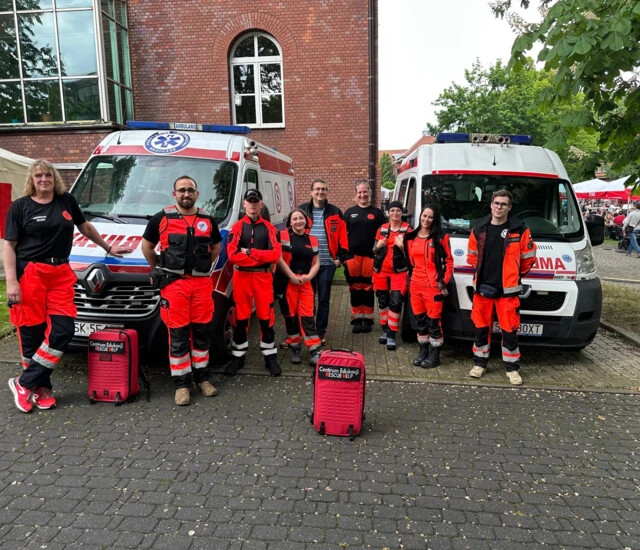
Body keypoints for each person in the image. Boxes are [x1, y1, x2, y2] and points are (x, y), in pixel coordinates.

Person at [4, 159, 131, 413]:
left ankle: (24, 383)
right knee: (32, 334)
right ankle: (40, 388)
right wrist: (11, 281)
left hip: (60, 273)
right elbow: (9, 245)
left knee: (63, 330)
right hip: (30, 273)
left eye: (48, 175)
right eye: (39, 175)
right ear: (32, 179)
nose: (44, 179)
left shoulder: (66, 201)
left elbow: (85, 227)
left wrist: (108, 247)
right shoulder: (20, 206)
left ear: (55, 178)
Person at [141, 175, 221, 406]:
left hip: (201, 285)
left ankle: (203, 379)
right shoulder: (161, 218)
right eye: (182, 190)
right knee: (178, 336)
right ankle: (182, 385)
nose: (186, 194)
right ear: (174, 193)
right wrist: (158, 269)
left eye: (190, 190)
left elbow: (215, 247)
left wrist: (201, 267)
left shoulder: (208, 219)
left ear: (197, 194)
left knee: (202, 333)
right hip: (174, 286)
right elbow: (146, 247)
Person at [467, 190, 537, 385]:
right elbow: (472, 256)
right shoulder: (479, 228)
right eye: (496, 203)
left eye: (503, 204)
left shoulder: (520, 230)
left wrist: (513, 275)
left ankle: (512, 369)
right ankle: (479, 364)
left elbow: (528, 258)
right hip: (483, 288)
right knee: (481, 328)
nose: (499, 207)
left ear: (509, 207)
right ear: (491, 205)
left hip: (508, 291)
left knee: (509, 330)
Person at [225, 189, 282, 377]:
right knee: (240, 319)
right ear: (244, 204)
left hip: (263, 278)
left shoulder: (270, 228)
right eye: (249, 201)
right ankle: (238, 357)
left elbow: (275, 255)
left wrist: (250, 252)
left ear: (261, 204)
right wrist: (261, 257)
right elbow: (233, 256)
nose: (252, 204)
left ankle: (270, 358)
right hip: (242, 277)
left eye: (255, 201)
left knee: (266, 318)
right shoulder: (236, 228)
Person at [297, 178, 348, 344]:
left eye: (323, 189)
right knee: (307, 299)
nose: (320, 192)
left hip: (327, 263)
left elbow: (343, 237)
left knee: (324, 299)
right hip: (307, 264)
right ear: (311, 192)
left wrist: (340, 259)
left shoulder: (335, 211)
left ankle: (320, 332)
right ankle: (308, 330)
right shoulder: (302, 210)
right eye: (317, 189)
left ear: (327, 192)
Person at [404, 204, 453, 368]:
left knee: (433, 323)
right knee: (420, 321)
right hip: (415, 285)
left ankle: (434, 355)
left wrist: (443, 281)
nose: (426, 219)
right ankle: (423, 352)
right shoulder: (410, 237)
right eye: (424, 216)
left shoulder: (441, 237)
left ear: (435, 219)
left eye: (430, 217)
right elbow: (407, 261)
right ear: (420, 216)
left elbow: (449, 261)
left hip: (433, 287)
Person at [275, 209, 321, 365]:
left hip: (306, 282)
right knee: (290, 315)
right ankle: (295, 347)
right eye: (294, 219)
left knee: (307, 315)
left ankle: (314, 349)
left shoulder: (313, 240)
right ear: (290, 222)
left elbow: (317, 262)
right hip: (289, 282)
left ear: (306, 221)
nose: (298, 221)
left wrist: (309, 276)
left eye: (301, 218)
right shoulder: (282, 236)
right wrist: (291, 276)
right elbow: (278, 259)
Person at [343, 180, 385, 334]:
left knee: (368, 288)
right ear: (355, 194)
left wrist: (379, 254)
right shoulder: (349, 213)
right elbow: (342, 236)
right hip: (352, 257)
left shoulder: (377, 213)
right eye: (359, 192)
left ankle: (367, 320)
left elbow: (383, 235)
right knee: (354, 288)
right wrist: (343, 257)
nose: (362, 195)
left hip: (370, 256)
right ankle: (356, 319)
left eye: (365, 191)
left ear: (369, 192)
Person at [372, 201, 410, 351]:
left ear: (402, 213)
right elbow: (373, 250)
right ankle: (385, 330)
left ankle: (391, 334)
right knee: (383, 302)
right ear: (388, 213)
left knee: (396, 302)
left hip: (398, 272)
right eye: (392, 210)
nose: (395, 213)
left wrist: (402, 247)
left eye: (398, 210)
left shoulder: (408, 230)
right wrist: (377, 246)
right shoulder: (382, 229)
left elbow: (413, 254)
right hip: (381, 271)